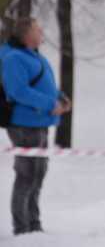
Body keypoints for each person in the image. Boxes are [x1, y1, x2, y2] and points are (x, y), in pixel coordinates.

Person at [1, 17, 71, 235]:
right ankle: (22, 228)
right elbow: (17, 91)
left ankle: (34, 224)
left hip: (40, 123)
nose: (42, 33)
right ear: (26, 34)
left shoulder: (34, 57)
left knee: (38, 173)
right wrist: (51, 104)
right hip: (24, 125)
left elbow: (45, 86)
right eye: (38, 29)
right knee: (27, 175)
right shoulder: (14, 58)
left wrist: (61, 98)